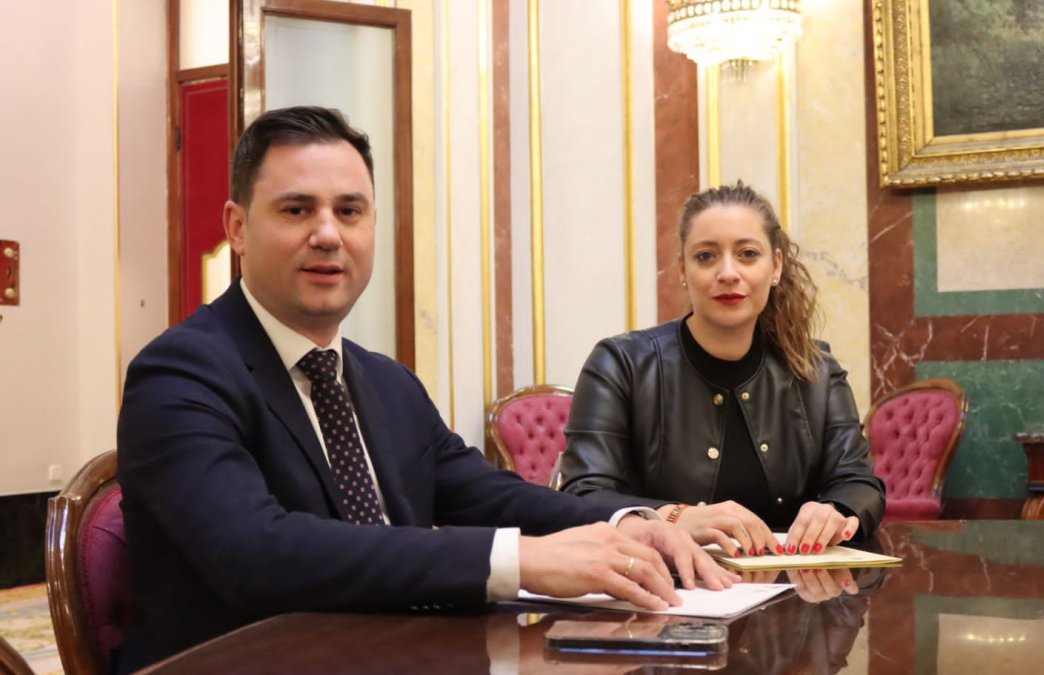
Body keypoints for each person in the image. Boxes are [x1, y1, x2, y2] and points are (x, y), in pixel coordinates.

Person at [115, 106, 733, 674]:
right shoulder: (181, 372)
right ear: (238, 227)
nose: (328, 234)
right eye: (297, 209)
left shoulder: (385, 381)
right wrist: (522, 560)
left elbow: (487, 495)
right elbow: (257, 553)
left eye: (349, 211)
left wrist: (630, 520)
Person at [559, 181, 885, 560]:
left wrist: (836, 511)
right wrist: (675, 516)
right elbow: (583, 493)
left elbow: (859, 482)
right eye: (706, 256)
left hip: (794, 596)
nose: (728, 273)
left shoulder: (817, 371)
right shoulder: (620, 363)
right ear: (683, 270)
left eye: (748, 254)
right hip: (661, 593)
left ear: (775, 266)